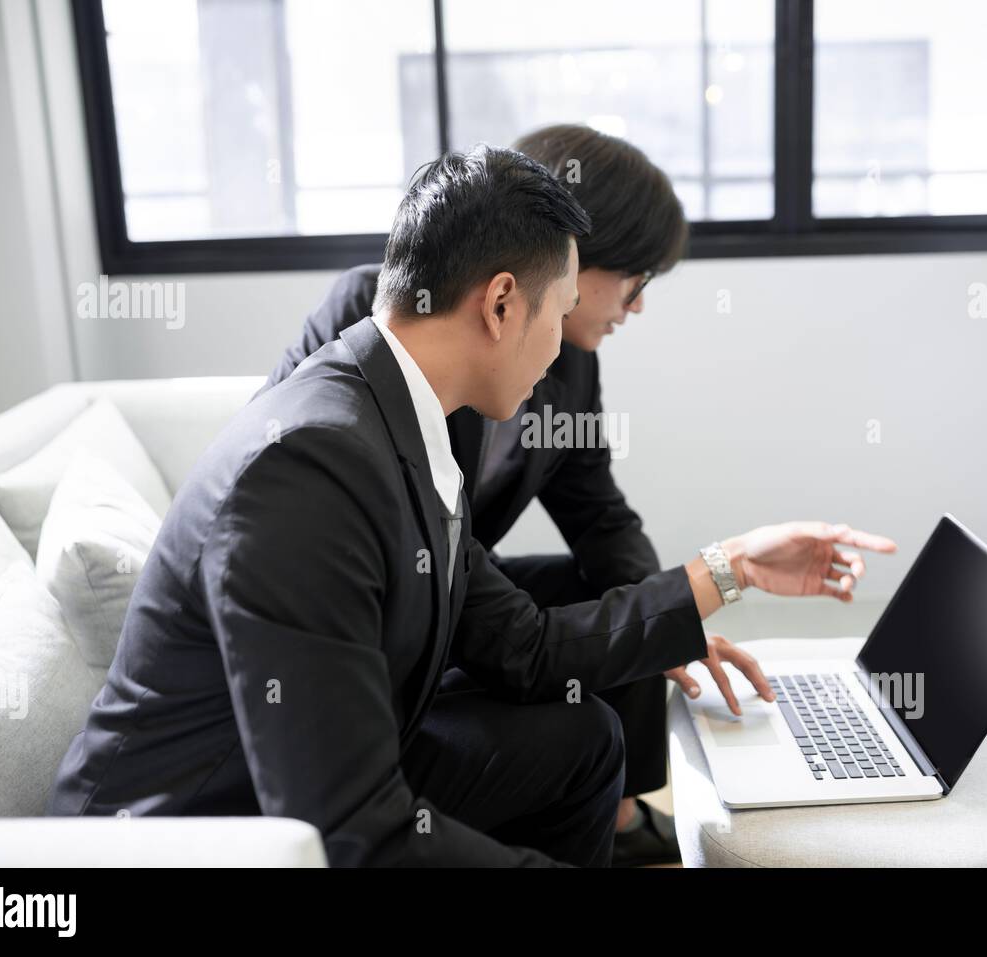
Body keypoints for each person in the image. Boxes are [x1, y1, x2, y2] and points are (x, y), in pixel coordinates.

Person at [48, 145, 895, 867]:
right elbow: (351, 832)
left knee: (583, 740)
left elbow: (523, 646)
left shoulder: (403, 411)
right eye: (560, 313)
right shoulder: (309, 466)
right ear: (499, 303)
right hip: (203, 826)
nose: (564, 347)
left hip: (347, 743)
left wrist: (733, 566)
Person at [260, 125, 696, 865]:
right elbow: (337, 506)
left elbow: (599, 512)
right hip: (402, 581)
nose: (639, 305)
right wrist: (707, 586)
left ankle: (621, 808)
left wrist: (667, 620)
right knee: (583, 630)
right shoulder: (378, 324)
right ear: (574, 257)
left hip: (457, 570)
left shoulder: (570, 363)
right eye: (639, 279)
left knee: (605, 578)